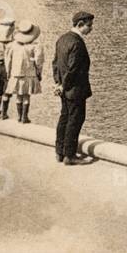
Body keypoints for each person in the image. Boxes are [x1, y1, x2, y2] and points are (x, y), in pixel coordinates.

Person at [53, 11, 94, 165]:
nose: (91, 29)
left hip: (64, 89)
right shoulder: (77, 43)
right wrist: (64, 85)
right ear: (80, 24)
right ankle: (70, 155)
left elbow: (55, 63)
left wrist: (58, 84)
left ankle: (60, 151)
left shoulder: (62, 39)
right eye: (89, 26)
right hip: (75, 89)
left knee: (64, 117)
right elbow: (73, 69)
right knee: (75, 119)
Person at [5, 21, 43, 124]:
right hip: (29, 73)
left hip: (15, 73)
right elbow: (38, 61)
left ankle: (19, 116)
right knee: (26, 95)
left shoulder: (12, 45)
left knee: (18, 95)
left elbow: (8, 60)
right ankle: (24, 117)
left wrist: (8, 72)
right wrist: (39, 72)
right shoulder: (35, 46)